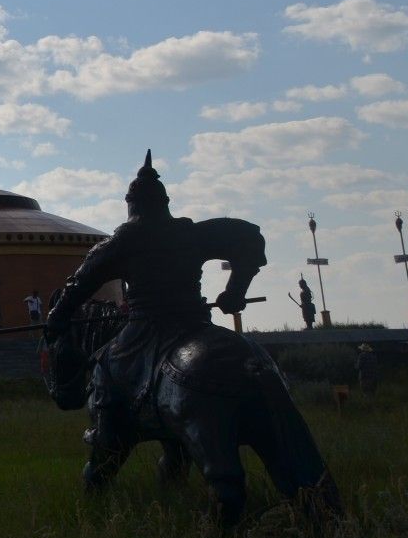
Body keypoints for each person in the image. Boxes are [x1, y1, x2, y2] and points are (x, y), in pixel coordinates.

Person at [45, 151, 265, 491]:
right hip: (195, 323)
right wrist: (235, 292)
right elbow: (249, 237)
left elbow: (78, 285)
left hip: (147, 328)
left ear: (131, 205)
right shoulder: (191, 233)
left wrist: (57, 318)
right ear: (165, 203)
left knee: (106, 372)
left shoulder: (123, 241)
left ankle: (107, 437)